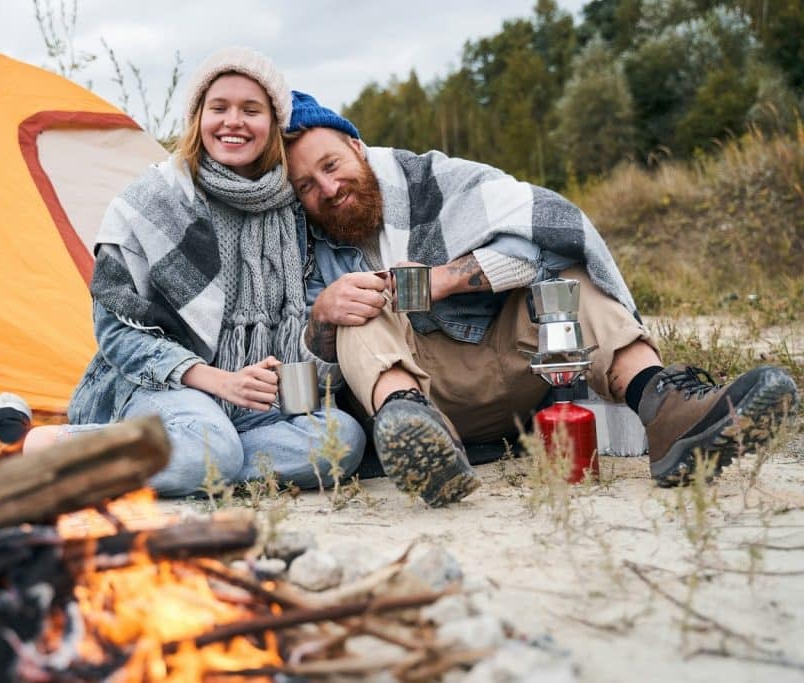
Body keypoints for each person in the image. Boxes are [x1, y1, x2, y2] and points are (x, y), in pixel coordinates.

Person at [0, 49, 366, 495]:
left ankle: (189, 459)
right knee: (210, 448)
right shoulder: (153, 203)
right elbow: (116, 332)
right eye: (219, 107)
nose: (233, 122)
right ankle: (9, 446)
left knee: (341, 439)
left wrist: (301, 345)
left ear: (273, 123)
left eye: (251, 109)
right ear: (198, 117)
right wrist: (216, 380)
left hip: (254, 405)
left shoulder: (294, 212)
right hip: (161, 386)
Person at [282, 90, 799, 506]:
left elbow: (543, 230)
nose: (327, 189)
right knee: (351, 307)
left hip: (520, 366)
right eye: (306, 185)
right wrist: (322, 318)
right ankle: (417, 438)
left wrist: (445, 278)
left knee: (565, 271)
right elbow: (310, 369)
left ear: (356, 146)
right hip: (423, 394)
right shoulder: (307, 249)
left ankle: (666, 407)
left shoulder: (438, 178)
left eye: (331, 165)